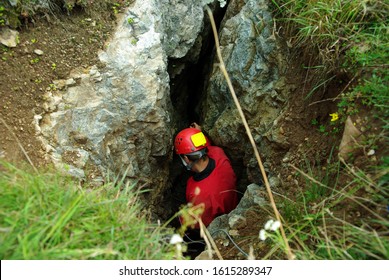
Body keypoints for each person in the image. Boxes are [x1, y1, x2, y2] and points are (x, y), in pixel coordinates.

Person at [174, 122, 238, 228]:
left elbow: (195, 224)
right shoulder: (219, 154)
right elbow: (207, 149)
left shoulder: (200, 196)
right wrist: (197, 134)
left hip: (216, 225)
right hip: (232, 204)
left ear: (186, 158)